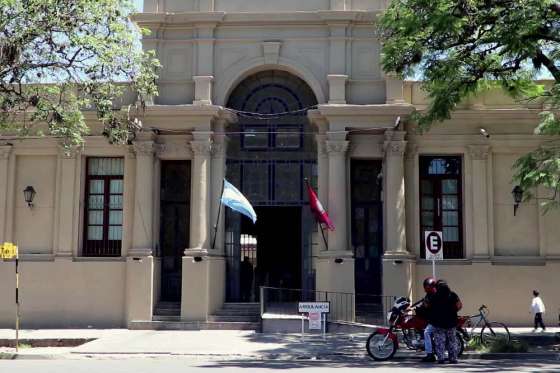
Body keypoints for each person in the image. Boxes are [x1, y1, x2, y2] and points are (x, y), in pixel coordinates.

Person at [431, 280, 462, 364]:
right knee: (452, 340)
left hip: (438, 323)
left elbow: (428, 307)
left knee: (439, 341)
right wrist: (453, 311)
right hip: (451, 322)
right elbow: (459, 306)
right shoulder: (453, 295)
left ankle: (441, 358)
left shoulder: (434, 296)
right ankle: (453, 358)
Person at [417, 277, 438, 362]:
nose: (425, 288)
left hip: (435, 319)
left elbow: (427, 305)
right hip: (431, 318)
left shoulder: (434, 295)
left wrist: (421, 306)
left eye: (426, 286)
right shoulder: (429, 294)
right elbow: (423, 303)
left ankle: (430, 354)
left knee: (427, 332)